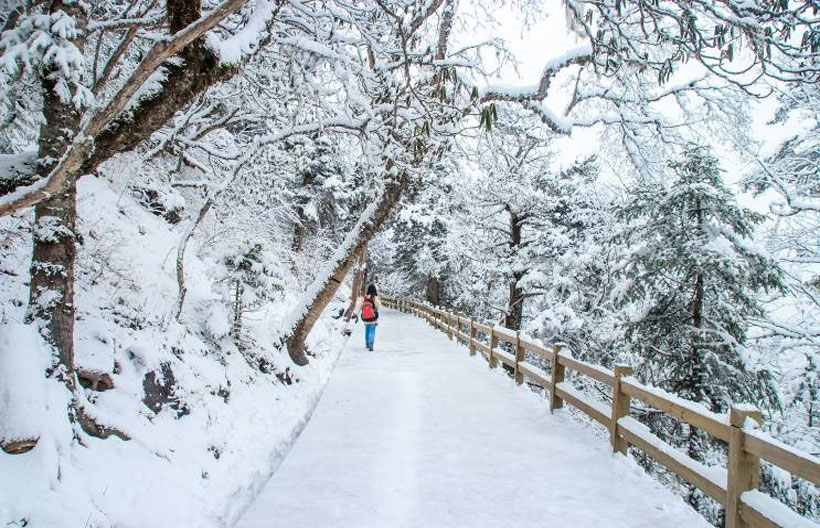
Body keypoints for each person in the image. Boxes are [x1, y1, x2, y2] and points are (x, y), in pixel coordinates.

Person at [358, 284, 380, 351]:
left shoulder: (364, 298)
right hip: (373, 318)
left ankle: (367, 344)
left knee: (367, 330)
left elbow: (359, 306)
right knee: (372, 331)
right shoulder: (375, 298)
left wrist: (355, 314)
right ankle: (371, 344)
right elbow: (377, 308)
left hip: (365, 318)